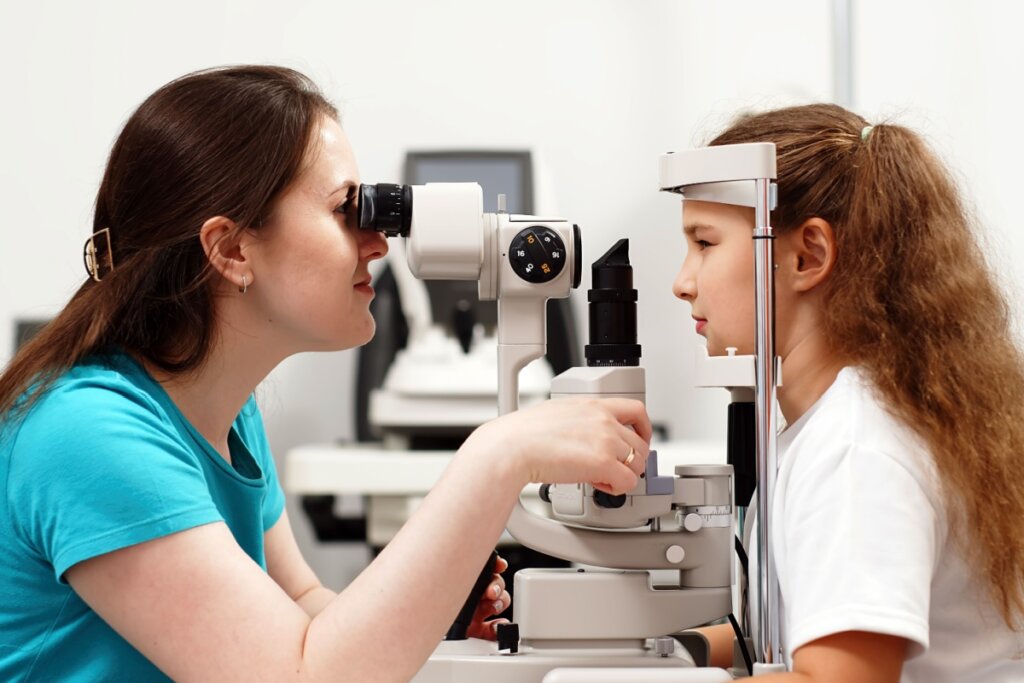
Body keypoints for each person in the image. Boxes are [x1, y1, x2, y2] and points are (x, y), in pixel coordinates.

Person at [0, 65, 652, 681]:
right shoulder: (88, 433)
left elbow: (306, 607)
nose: (378, 240)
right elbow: (302, 673)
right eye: (347, 209)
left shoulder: (225, 409)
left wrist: (421, 613)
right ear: (231, 249)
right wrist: (499, 452)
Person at [680, 104, 1024, 681]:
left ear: (805, 256)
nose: (682, 282)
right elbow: (798, 633)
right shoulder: (839, 422)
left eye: (705, 243)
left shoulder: (856, 445)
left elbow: (841, 680)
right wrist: (665, 651)